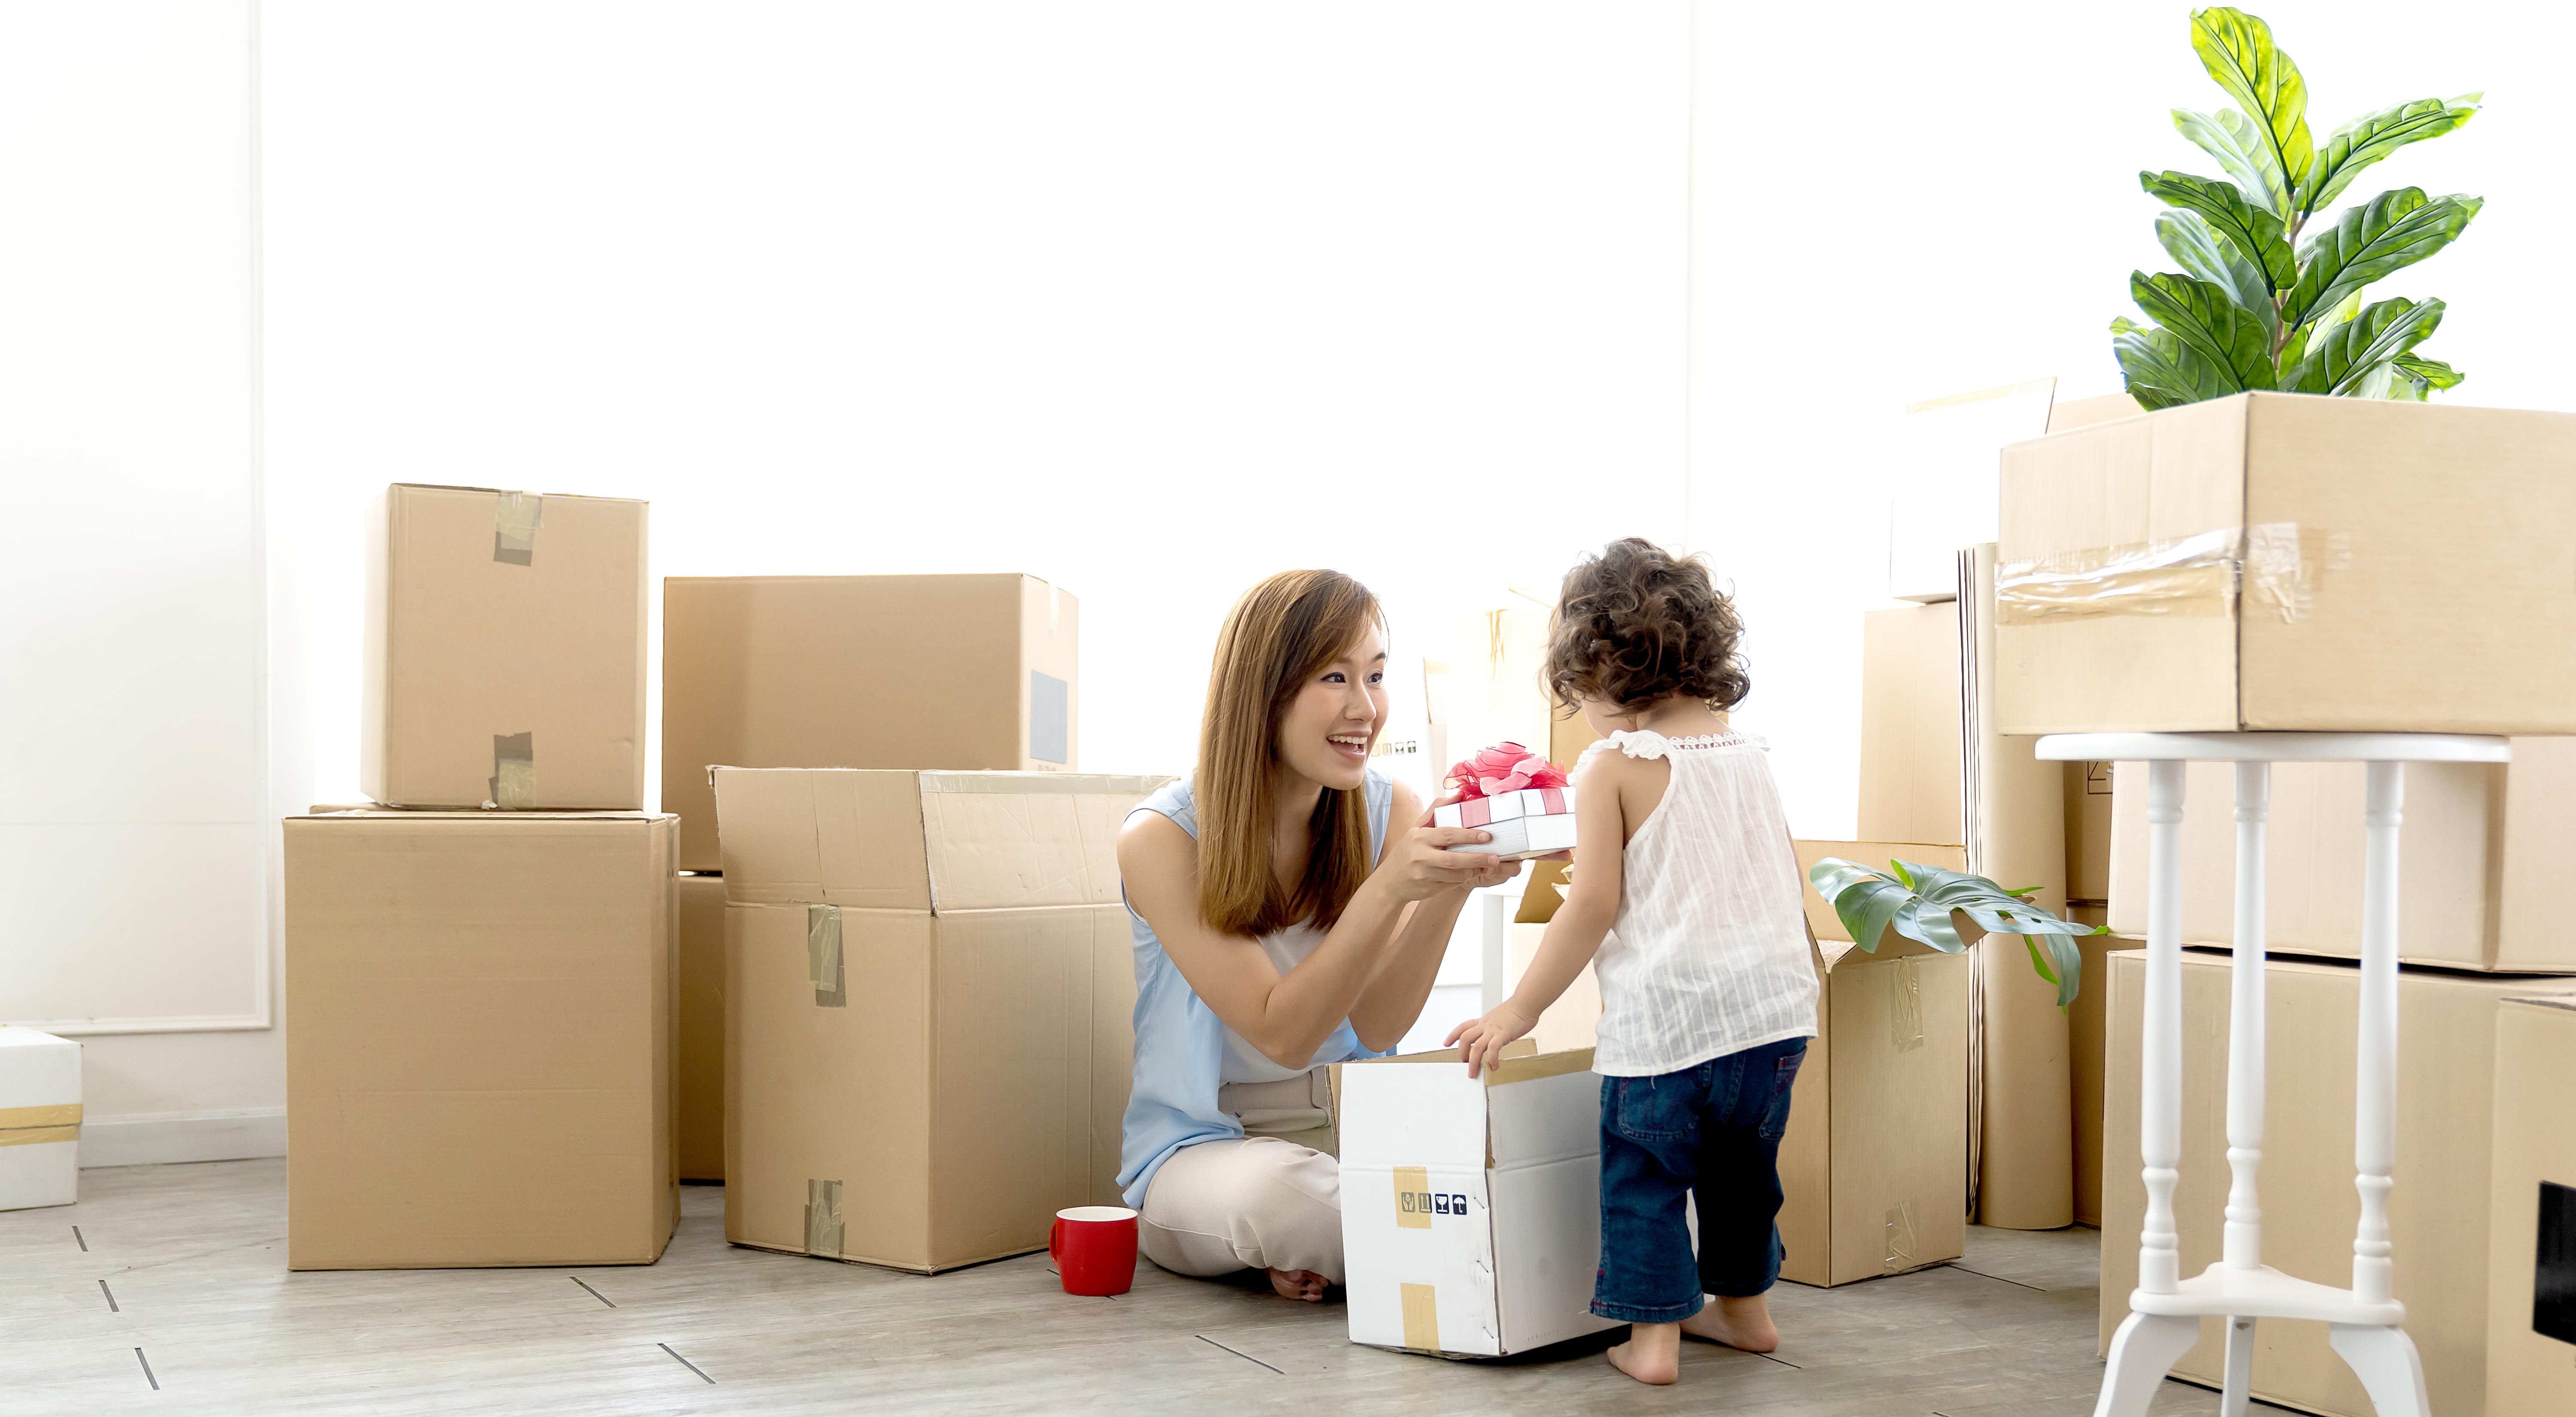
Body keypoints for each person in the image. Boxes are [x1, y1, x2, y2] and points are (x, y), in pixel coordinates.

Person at [1447, 537, 1820, 1386]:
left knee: (1645, 1178)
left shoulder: (1613, 765)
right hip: (1773, 1024)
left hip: (1668, 1029)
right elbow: (1765, 878)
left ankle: (1652, 1342)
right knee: (1741, 1175)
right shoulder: (1751, 755)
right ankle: (1747, 1313)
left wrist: (1518, 1011)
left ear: (1611, 680)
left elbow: (1592, 906)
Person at [1117, 569, 1522, 1302]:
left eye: (1375, 675)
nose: (1364, 707)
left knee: (1530, 1143)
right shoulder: (1161, 839)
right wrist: (1391, 886)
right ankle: (1531, 1257)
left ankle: (1348, 1244)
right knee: (1279, 1197)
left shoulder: (1386, 808)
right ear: (1263, 693)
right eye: (1335, 676)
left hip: (1357, 1128)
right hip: (1210, 1153)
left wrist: (1449, 888)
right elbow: (1284, 1035)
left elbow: (1379, 1022)